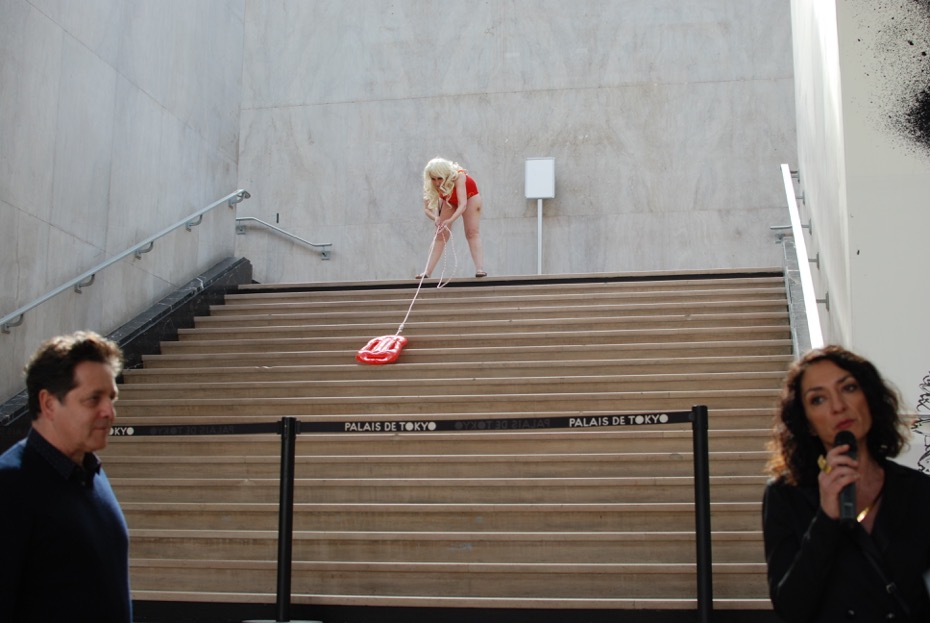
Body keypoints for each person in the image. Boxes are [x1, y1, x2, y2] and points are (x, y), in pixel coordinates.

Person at [762, 345, 930, 621]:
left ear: (869, 398)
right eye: (818, 399)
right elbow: (790, 608)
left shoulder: (918, 490)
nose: (838, 406)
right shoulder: (785, 496)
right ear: (808, 424)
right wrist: (826, 519)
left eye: (849, 388)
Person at [0, 330, 132, 622]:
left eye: (112, 397)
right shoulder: (9, 486)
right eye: (93, 399)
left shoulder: (92, 475)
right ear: (48, 404)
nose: (109, 412)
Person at [417, 156, 486, 279]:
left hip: (469, 198)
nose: (437, 182)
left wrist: (450, 220)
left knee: (472, 232)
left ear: (446, 174)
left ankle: (480, 269)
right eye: (433, 179)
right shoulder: (430, 184)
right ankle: (427, 272)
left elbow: (463, 204)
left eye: (440, 178)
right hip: (449, 200)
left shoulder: (459, 176)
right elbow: (427, 208)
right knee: (440, 234)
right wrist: (436, 218)